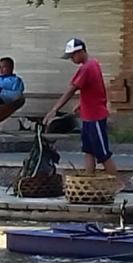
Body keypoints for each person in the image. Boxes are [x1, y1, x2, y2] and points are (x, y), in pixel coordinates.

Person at [45, 38, 119, 179]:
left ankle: (117, 184)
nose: (72, 59)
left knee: (103, 154)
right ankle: (89, 179)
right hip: (88, 115)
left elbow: (71, 90)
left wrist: (54, 109)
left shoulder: (86, 68)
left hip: (95, 116)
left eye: (73, 55)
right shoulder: (93, 64)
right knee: (88, 150)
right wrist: (81, 104)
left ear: (80, 51)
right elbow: (94, 89)